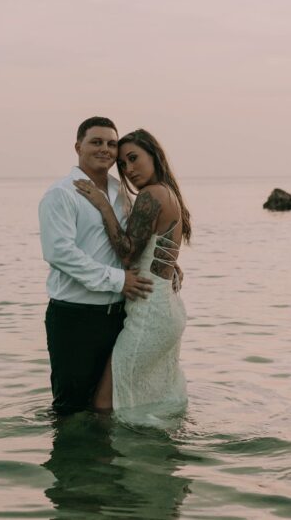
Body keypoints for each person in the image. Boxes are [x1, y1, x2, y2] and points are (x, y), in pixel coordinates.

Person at [39, 116, 155, 416]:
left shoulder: (122, 193)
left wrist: (162, 264)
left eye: (111, 144)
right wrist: (119, 281)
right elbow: (60, 253)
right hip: (75, 317)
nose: (105, 149)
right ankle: (69, 461)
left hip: (119, 318)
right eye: (96, 142)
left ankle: (103, 463)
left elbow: (129, 244)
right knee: (71, 407)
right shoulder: (61, 194)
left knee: (110, 407)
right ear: (78, 146)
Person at [73, 128, 191, 420]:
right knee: (145, 394)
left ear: (154, 155)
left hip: (151, 313)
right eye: (123, 164)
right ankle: (154, 452)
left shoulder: (151, 194)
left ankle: (108, 460)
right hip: (164, 307)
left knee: (104, 403)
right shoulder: (168, 193)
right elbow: (157, 251)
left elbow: (127, 252)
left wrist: (103, 205)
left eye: (134, 158)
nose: (129, 169)